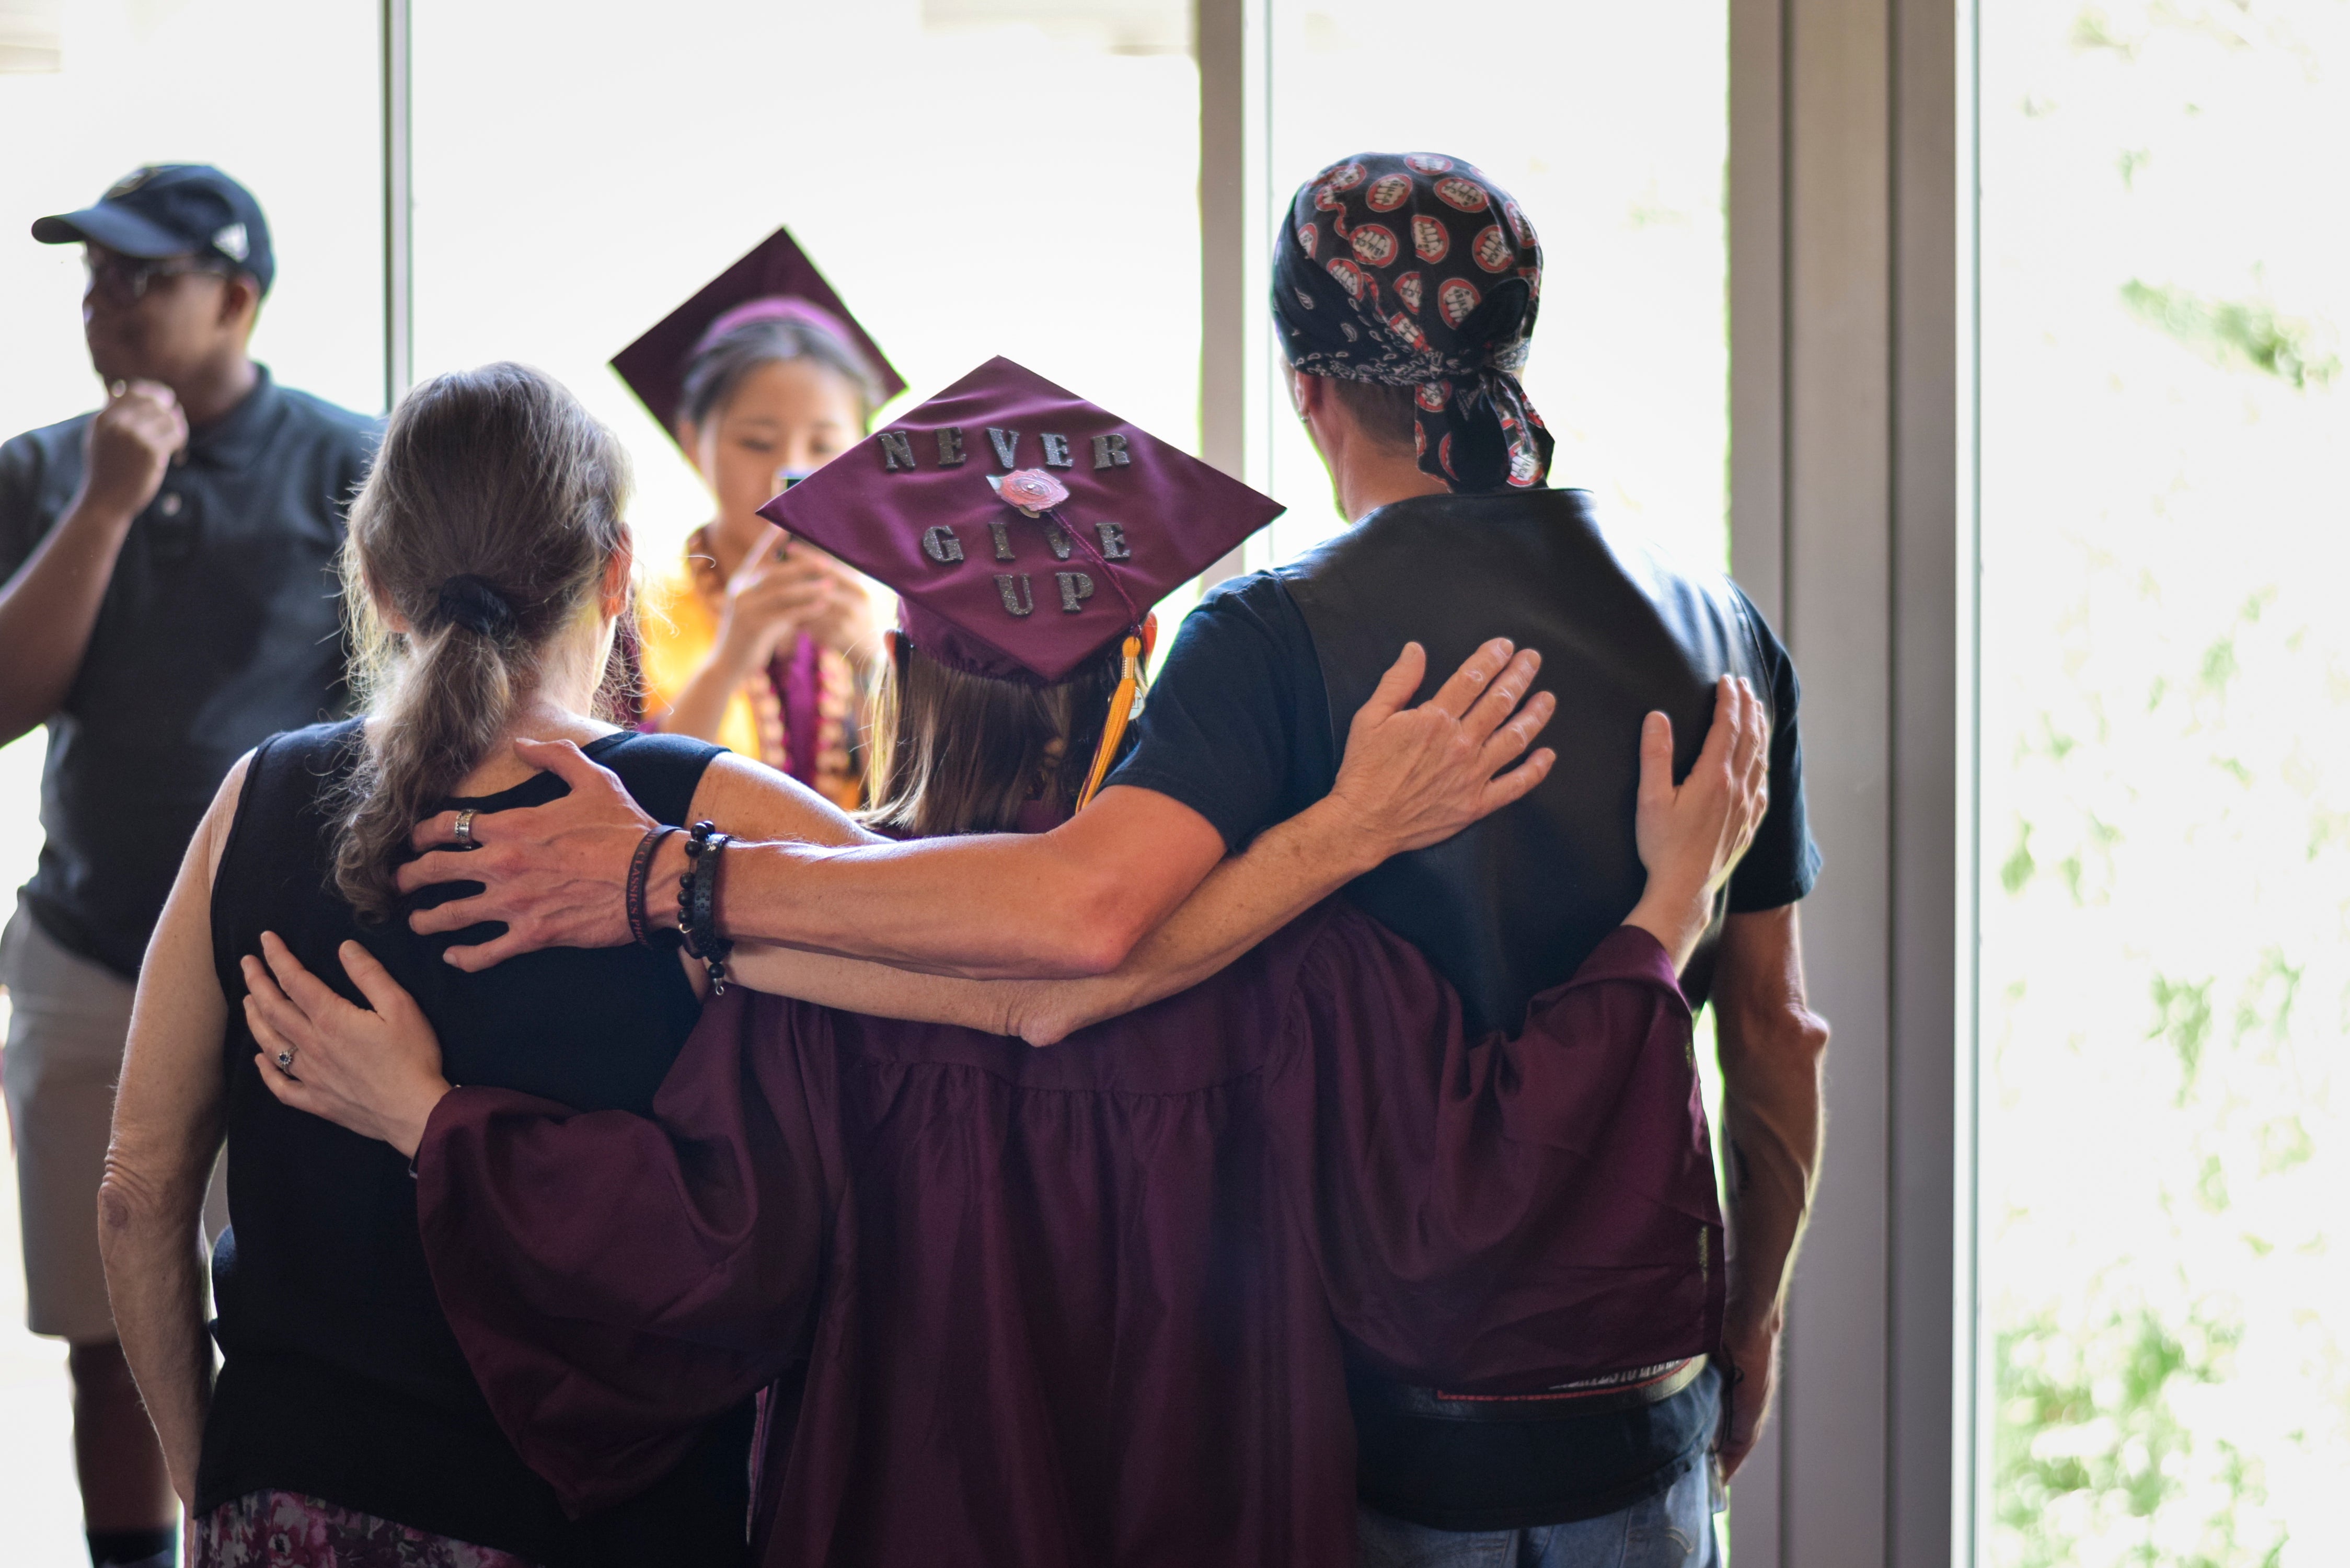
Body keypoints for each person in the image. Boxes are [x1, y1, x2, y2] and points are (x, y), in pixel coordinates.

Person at [396, 159, 1828, 1561]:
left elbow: (712, 1253)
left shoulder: (841, 962)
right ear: (1138, 655)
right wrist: (1738, 1290)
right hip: (1377, 1460)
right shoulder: (1315, 929)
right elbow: (1746, 1046)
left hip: (986, 1496)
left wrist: (463, 1098)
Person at [96, 358, 1571, 1566]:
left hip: (810, 1500)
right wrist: (1357, 840)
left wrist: (224, 1482)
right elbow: (1049, 992)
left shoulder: (279, 805)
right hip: (1146, 1500)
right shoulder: (788, 867)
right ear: (619, 574)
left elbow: (139, 1190)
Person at [0, 163, 379, 1568]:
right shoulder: (47, 467)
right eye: (95, 276)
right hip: (87, 949)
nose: (108, 304)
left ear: (237, 297)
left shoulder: (352, 463)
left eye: (144, 277)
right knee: (109, 1322)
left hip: (281, 964)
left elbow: (397, 718)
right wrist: (106, 502)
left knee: (282, 1301)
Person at [615, 228, 903, 805]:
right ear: (694, 442)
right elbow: (622, 805)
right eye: (755, 442)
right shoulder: (630, 614)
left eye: (823, 446)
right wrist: (730, 658)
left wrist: (874, 667)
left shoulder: (896, 619)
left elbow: (923, 815)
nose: (789, 475)